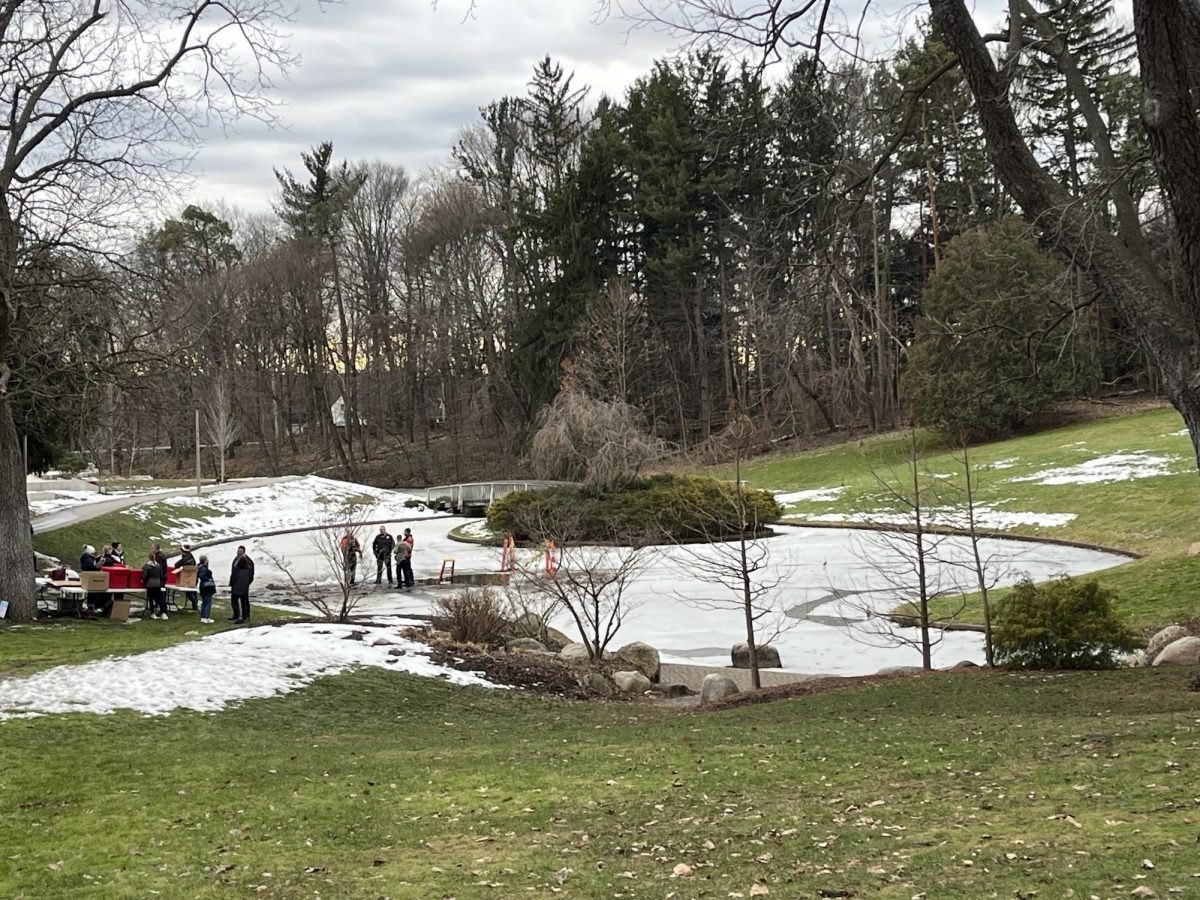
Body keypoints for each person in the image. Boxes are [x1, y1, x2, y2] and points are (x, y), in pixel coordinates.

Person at [229, 545, 254, 624]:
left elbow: (251, 574)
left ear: (244, 552)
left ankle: (245, 617)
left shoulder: (247, 561)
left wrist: (247, 582)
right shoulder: (236, 559)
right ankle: (237, 615)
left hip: (242, 584)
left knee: (244, 602)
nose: (239, 552)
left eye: (240, 551)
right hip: (237, 584)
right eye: (238, 550)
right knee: (235, 601)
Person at [80, 544, 104, 615]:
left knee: (92, 593)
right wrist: (99, 565)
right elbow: (92, 567)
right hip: (91, 579)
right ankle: (92, 606)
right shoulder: (88, 559)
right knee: (93, 593)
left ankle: (91, 606)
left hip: (88, 578)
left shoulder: (86, 558)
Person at [142, 551, 167, 620]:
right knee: (158, 598)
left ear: (149, 557)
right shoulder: (158, 566)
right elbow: (161, 575)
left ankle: (152, 613)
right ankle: (163, 612)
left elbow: (144, 576)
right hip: (158, 584)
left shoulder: (147, 566)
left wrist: (144, 581)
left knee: (151, 599)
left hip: (150, 584)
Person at [175, 544, 198, 610]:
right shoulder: (191, 556)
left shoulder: (185, 558)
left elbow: (177, 564)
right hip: (193, 577)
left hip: (187, 577)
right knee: (193, 591)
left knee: (189, 592)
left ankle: (194, 603)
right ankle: (194, 605)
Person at [196, 554, 217, 624]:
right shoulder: (204, 568)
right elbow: (202, 576)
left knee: (204, 602)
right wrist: (208, 579)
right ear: (205, 561)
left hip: (203, 586)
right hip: (207, 586)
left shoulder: (200, 567)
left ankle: (203, 616)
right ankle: (206, 617)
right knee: (208, 602)